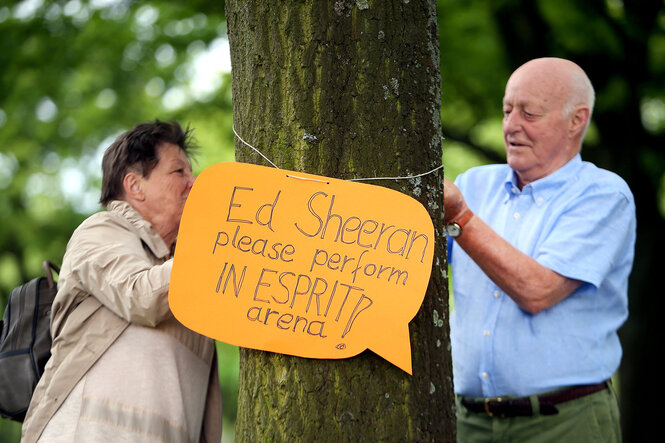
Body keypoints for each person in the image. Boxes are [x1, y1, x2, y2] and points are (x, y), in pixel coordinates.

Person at [444, 58, 636, 442]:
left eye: (529, 113)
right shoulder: (474, 184)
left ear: (576, 121)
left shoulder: (603, 195)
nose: (511, 125)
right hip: (467, 423)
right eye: (507, 110)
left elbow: (537, 291)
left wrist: (461, 217)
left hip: (563, 423)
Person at [22, 120, 222, 442]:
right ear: (135, 186)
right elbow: (142, 296)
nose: (193, 182)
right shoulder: (100, 231)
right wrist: (219, 246)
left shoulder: (189, 265)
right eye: (178, 172)